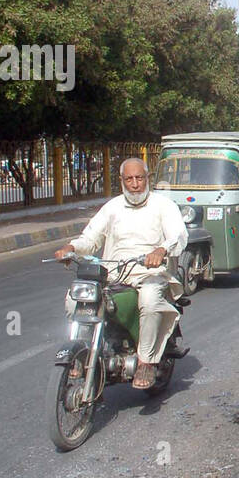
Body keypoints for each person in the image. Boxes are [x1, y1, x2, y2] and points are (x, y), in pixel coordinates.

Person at [54, 157, 187, 389]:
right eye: (130, 179)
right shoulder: (112, 207)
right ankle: (83, 351)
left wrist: (161, 249)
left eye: (139, 178)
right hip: (114, 273)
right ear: (122, 181)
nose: (135, 184)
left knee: (149, 299)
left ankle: (146, 361)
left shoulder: (163, 206)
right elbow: (91, 237)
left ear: (148, 179)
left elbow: (178, 235)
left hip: (149, 273)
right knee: (75, 298)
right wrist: (72, 248)